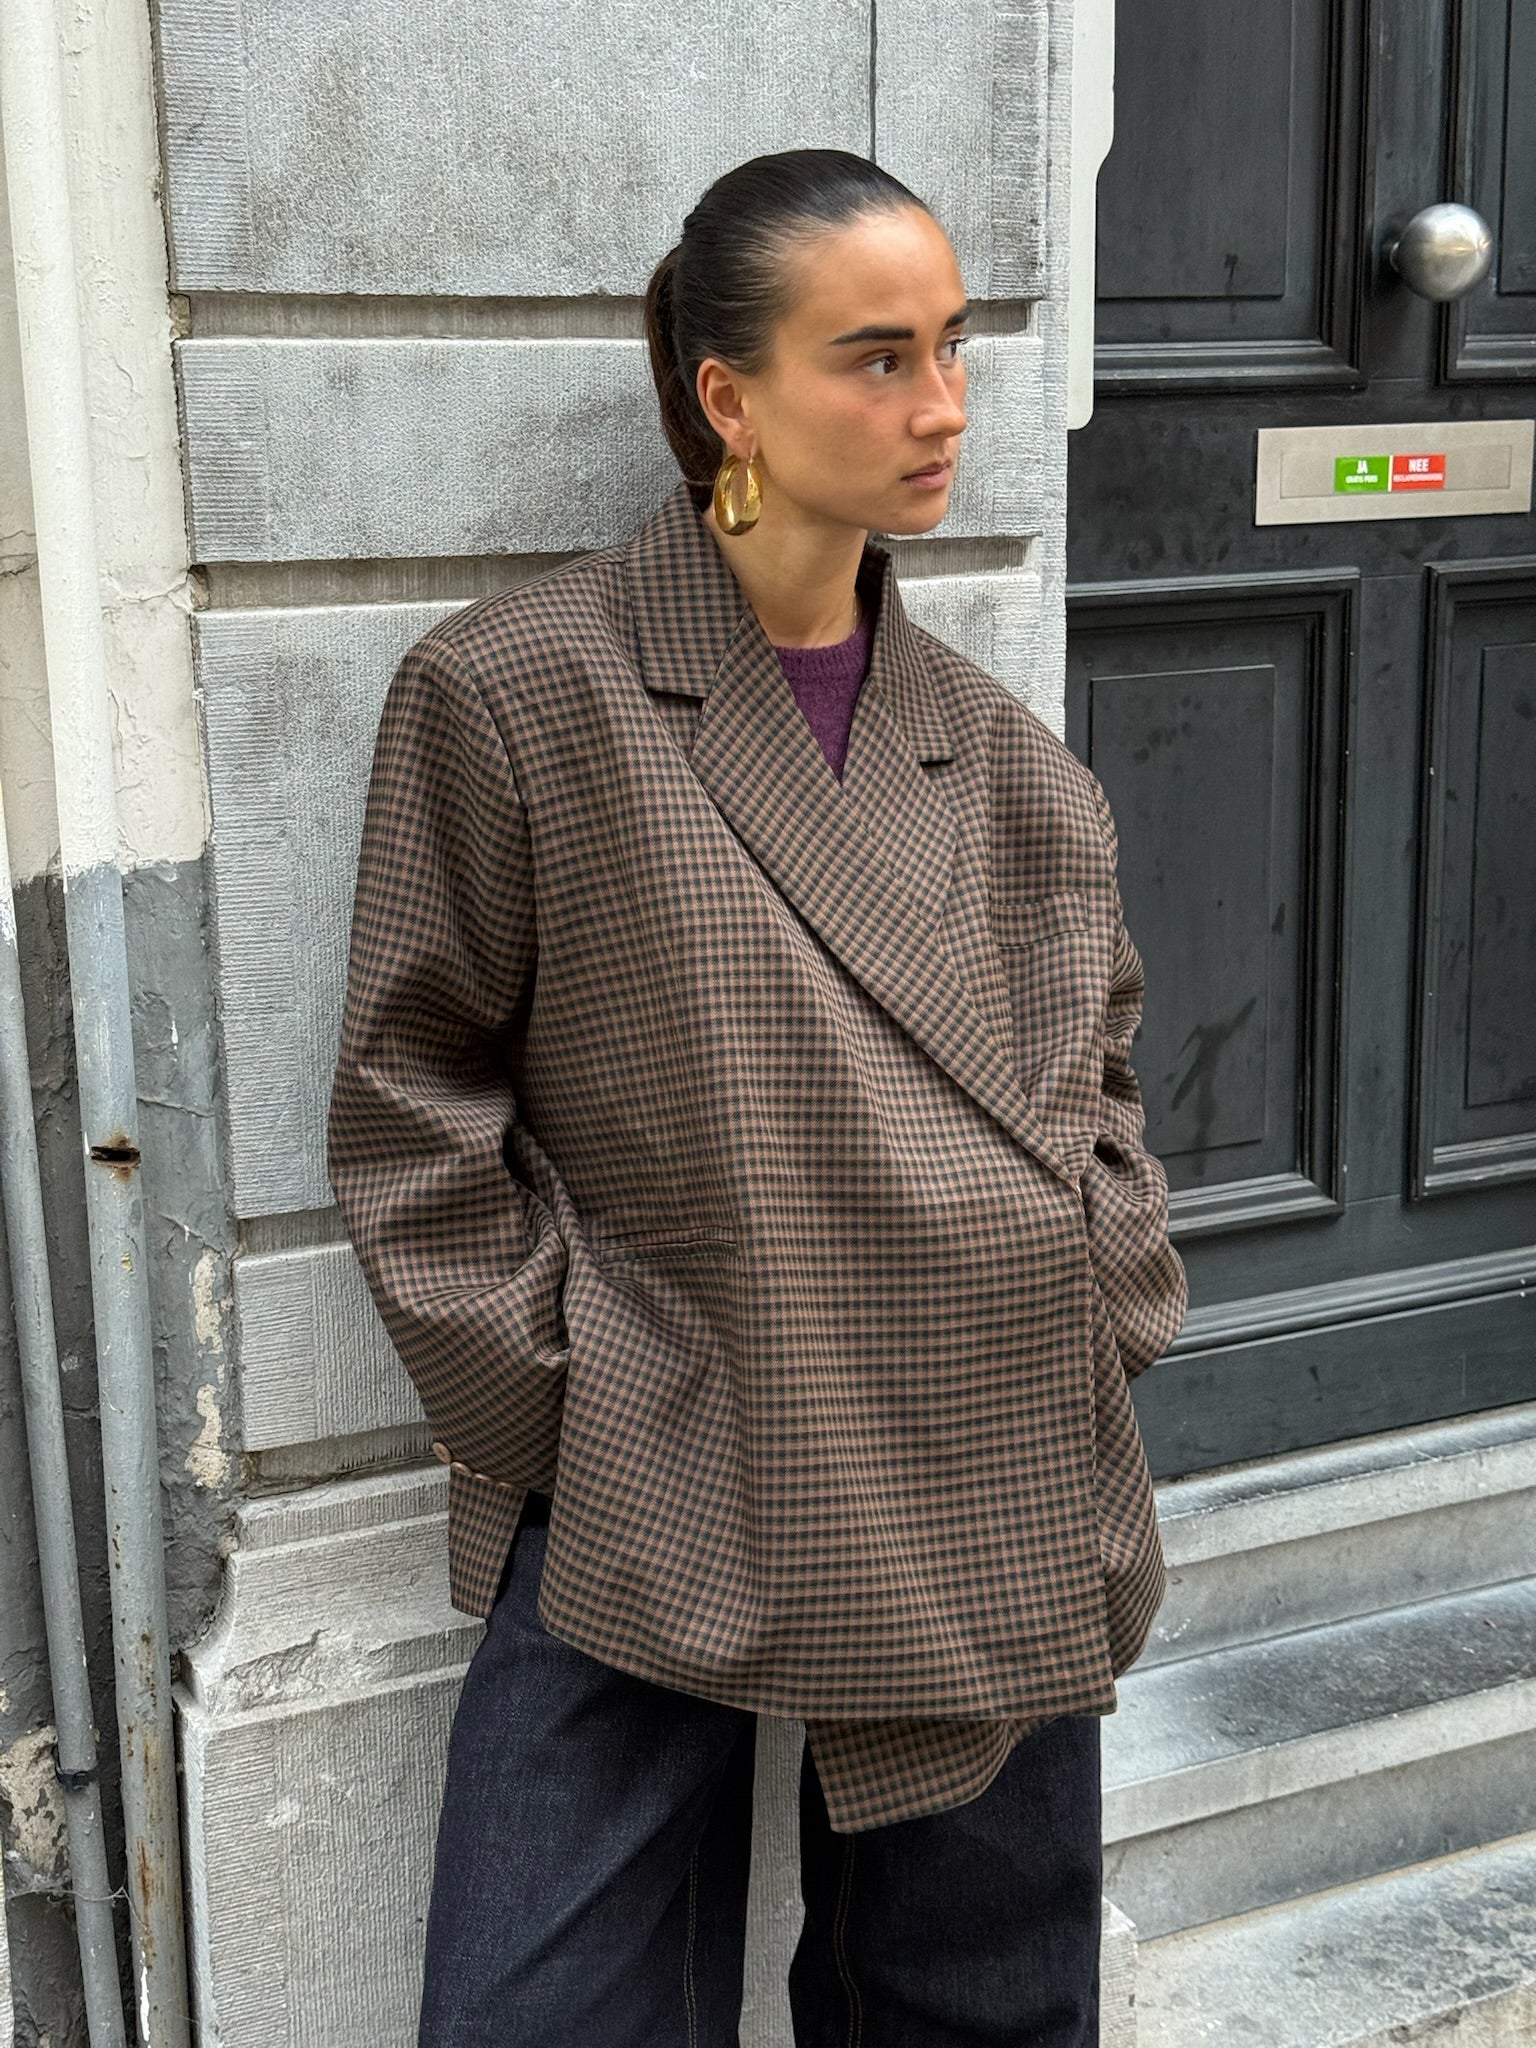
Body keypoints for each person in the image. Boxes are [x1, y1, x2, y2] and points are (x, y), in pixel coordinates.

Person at [327, 147, 1187, 2048]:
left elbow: (1098, 1080)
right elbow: (410, 1098)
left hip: (986, 1443)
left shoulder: (1006, 763)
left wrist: (1101, 1282)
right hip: (668, 1449)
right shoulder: (518, 695)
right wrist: (567, 1407)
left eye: (952, 348)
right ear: (729, 396)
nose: (942, 406)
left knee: (970, 2007)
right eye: (876, 358)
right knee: (541, 2009)